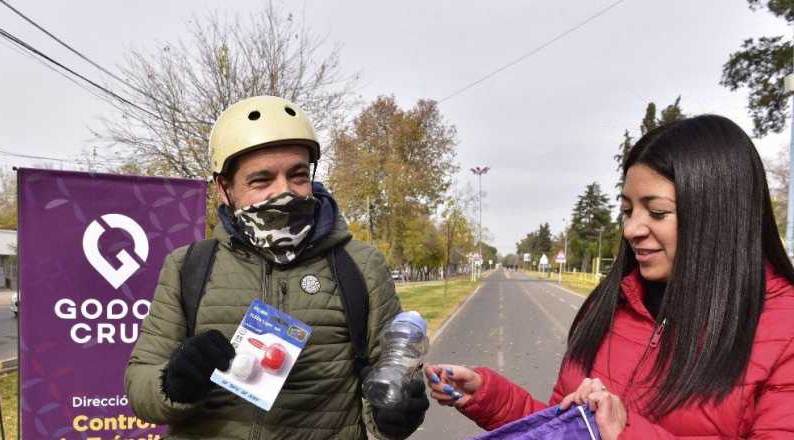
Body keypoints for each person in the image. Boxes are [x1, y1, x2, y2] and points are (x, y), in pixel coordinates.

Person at [427, 114, 794, 439]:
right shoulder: (613, 305)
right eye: (627, 210)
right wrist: (490, 398)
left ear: (719, 213)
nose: (632, 228)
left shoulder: (783, 330)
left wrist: (625, 432)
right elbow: (568, 430)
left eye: (657, 212)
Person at [125, 95, 428, 439]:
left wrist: (396, 415)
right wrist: (175, 382)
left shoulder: (360, 266)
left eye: (297, 176)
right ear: (224, 189)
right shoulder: (188, 266)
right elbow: (141, 385)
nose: (284, 192)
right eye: (261, 180)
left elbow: (387, 384)